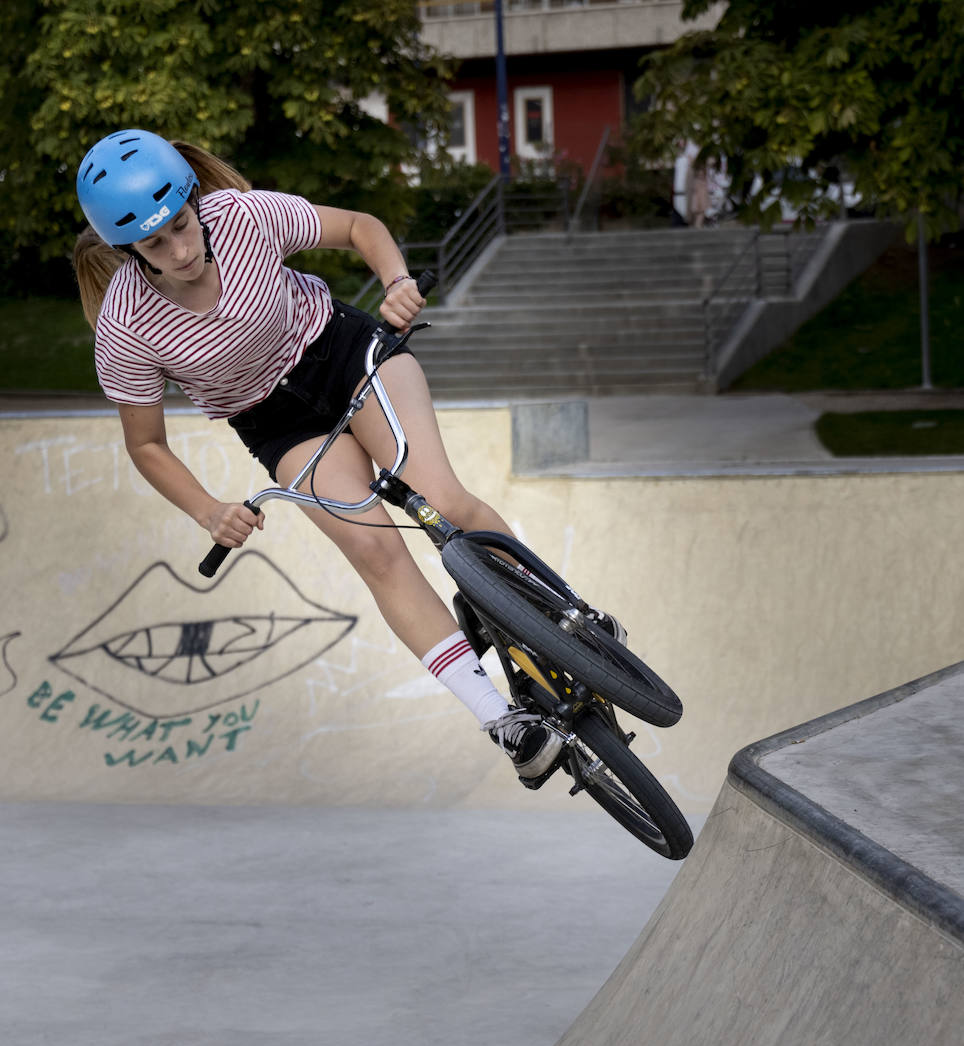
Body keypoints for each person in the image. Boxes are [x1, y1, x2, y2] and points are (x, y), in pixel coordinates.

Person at [73, 129, 618, 779]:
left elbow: (361, 226)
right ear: (125, 247)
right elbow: (146, 443)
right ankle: (505, 724)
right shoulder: (127, 326)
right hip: (274, 422)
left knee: (439, 498)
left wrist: (396, 282)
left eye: (183, 225)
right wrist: (206, 510)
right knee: (375, 551)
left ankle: (568, 617)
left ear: (193, 199)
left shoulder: (244, 217)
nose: (182, 250)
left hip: (343, 354)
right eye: (155, 244)